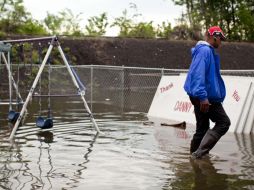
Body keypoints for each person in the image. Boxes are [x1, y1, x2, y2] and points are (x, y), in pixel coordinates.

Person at [184, 26, 231, 159]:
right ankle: (199, 155)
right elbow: (198, 74)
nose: (221, 42)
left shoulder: (205, 51)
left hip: (199, 95)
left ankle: (194, 157)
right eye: (220, 39)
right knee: (224, 122)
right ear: (214, 37)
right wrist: (203, 97)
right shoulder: (205, 51)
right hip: (205, 96)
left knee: (202, 128)